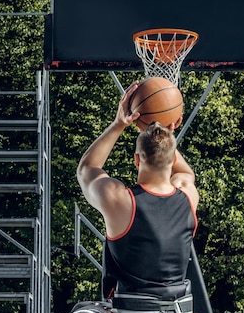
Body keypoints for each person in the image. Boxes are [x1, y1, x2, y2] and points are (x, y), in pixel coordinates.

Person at [77, 80, 199, 295]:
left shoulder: (119, 200)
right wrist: (163, 132)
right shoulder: (188, 195)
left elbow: (87, 168)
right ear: (172, 160)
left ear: (136, 159)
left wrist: (119, 124)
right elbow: (186, 173)